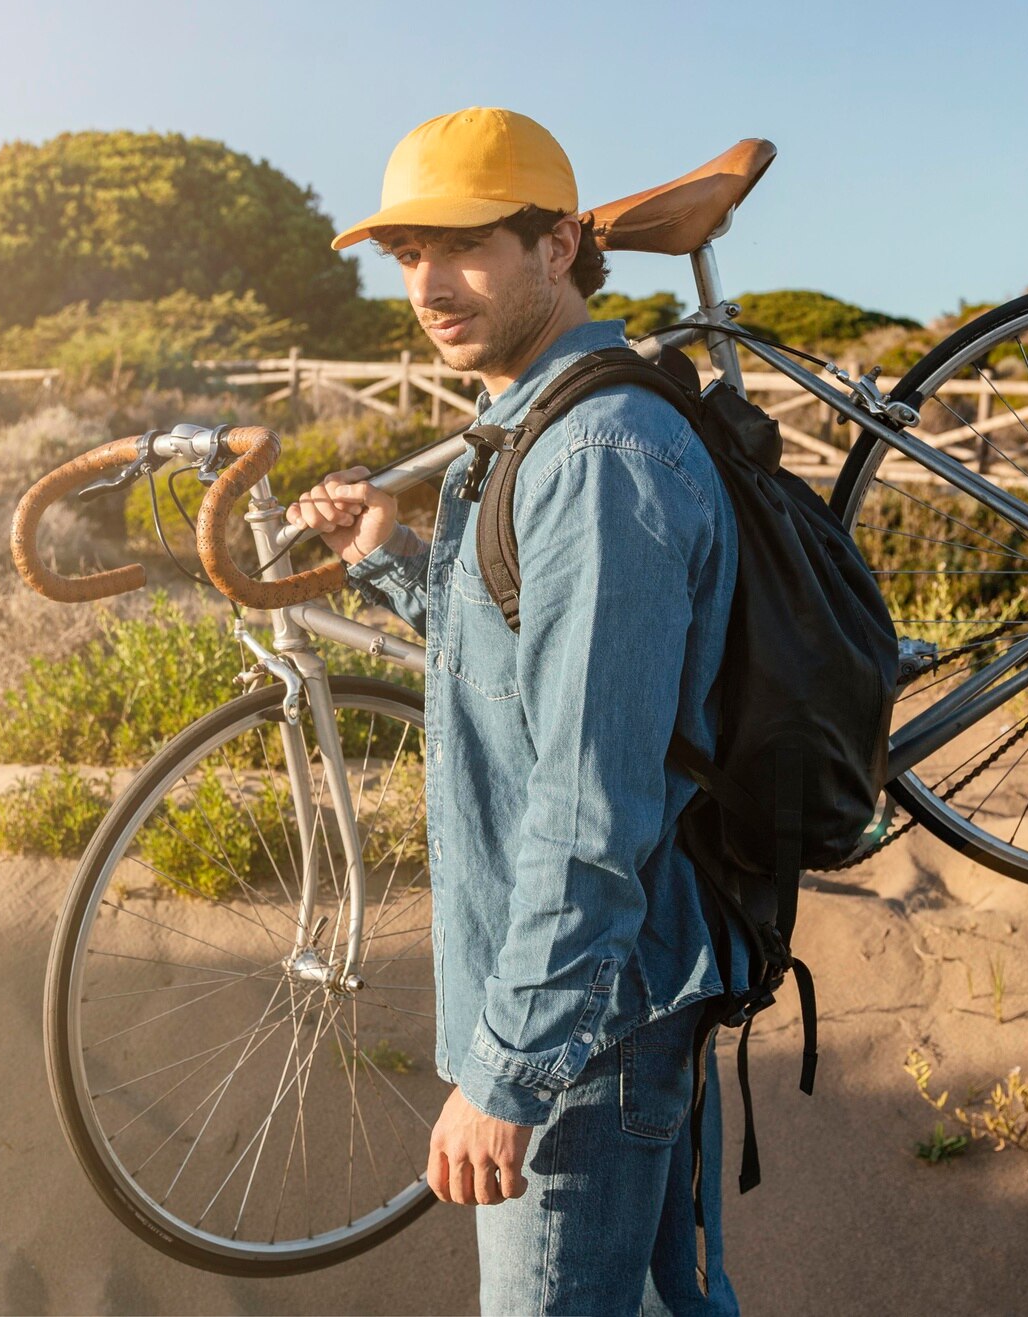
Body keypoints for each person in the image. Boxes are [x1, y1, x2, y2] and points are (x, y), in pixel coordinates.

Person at [287, 107, 743, 1315]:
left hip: (589, 1035)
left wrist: (508, 1071)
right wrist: (392, 562)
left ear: (555, 248)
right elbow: (519, 678)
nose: (430, 286)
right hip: (596, 1006)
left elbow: (592, 803)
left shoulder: (598, 456)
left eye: (464, 247)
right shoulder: (525, 426)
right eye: (407, 257)